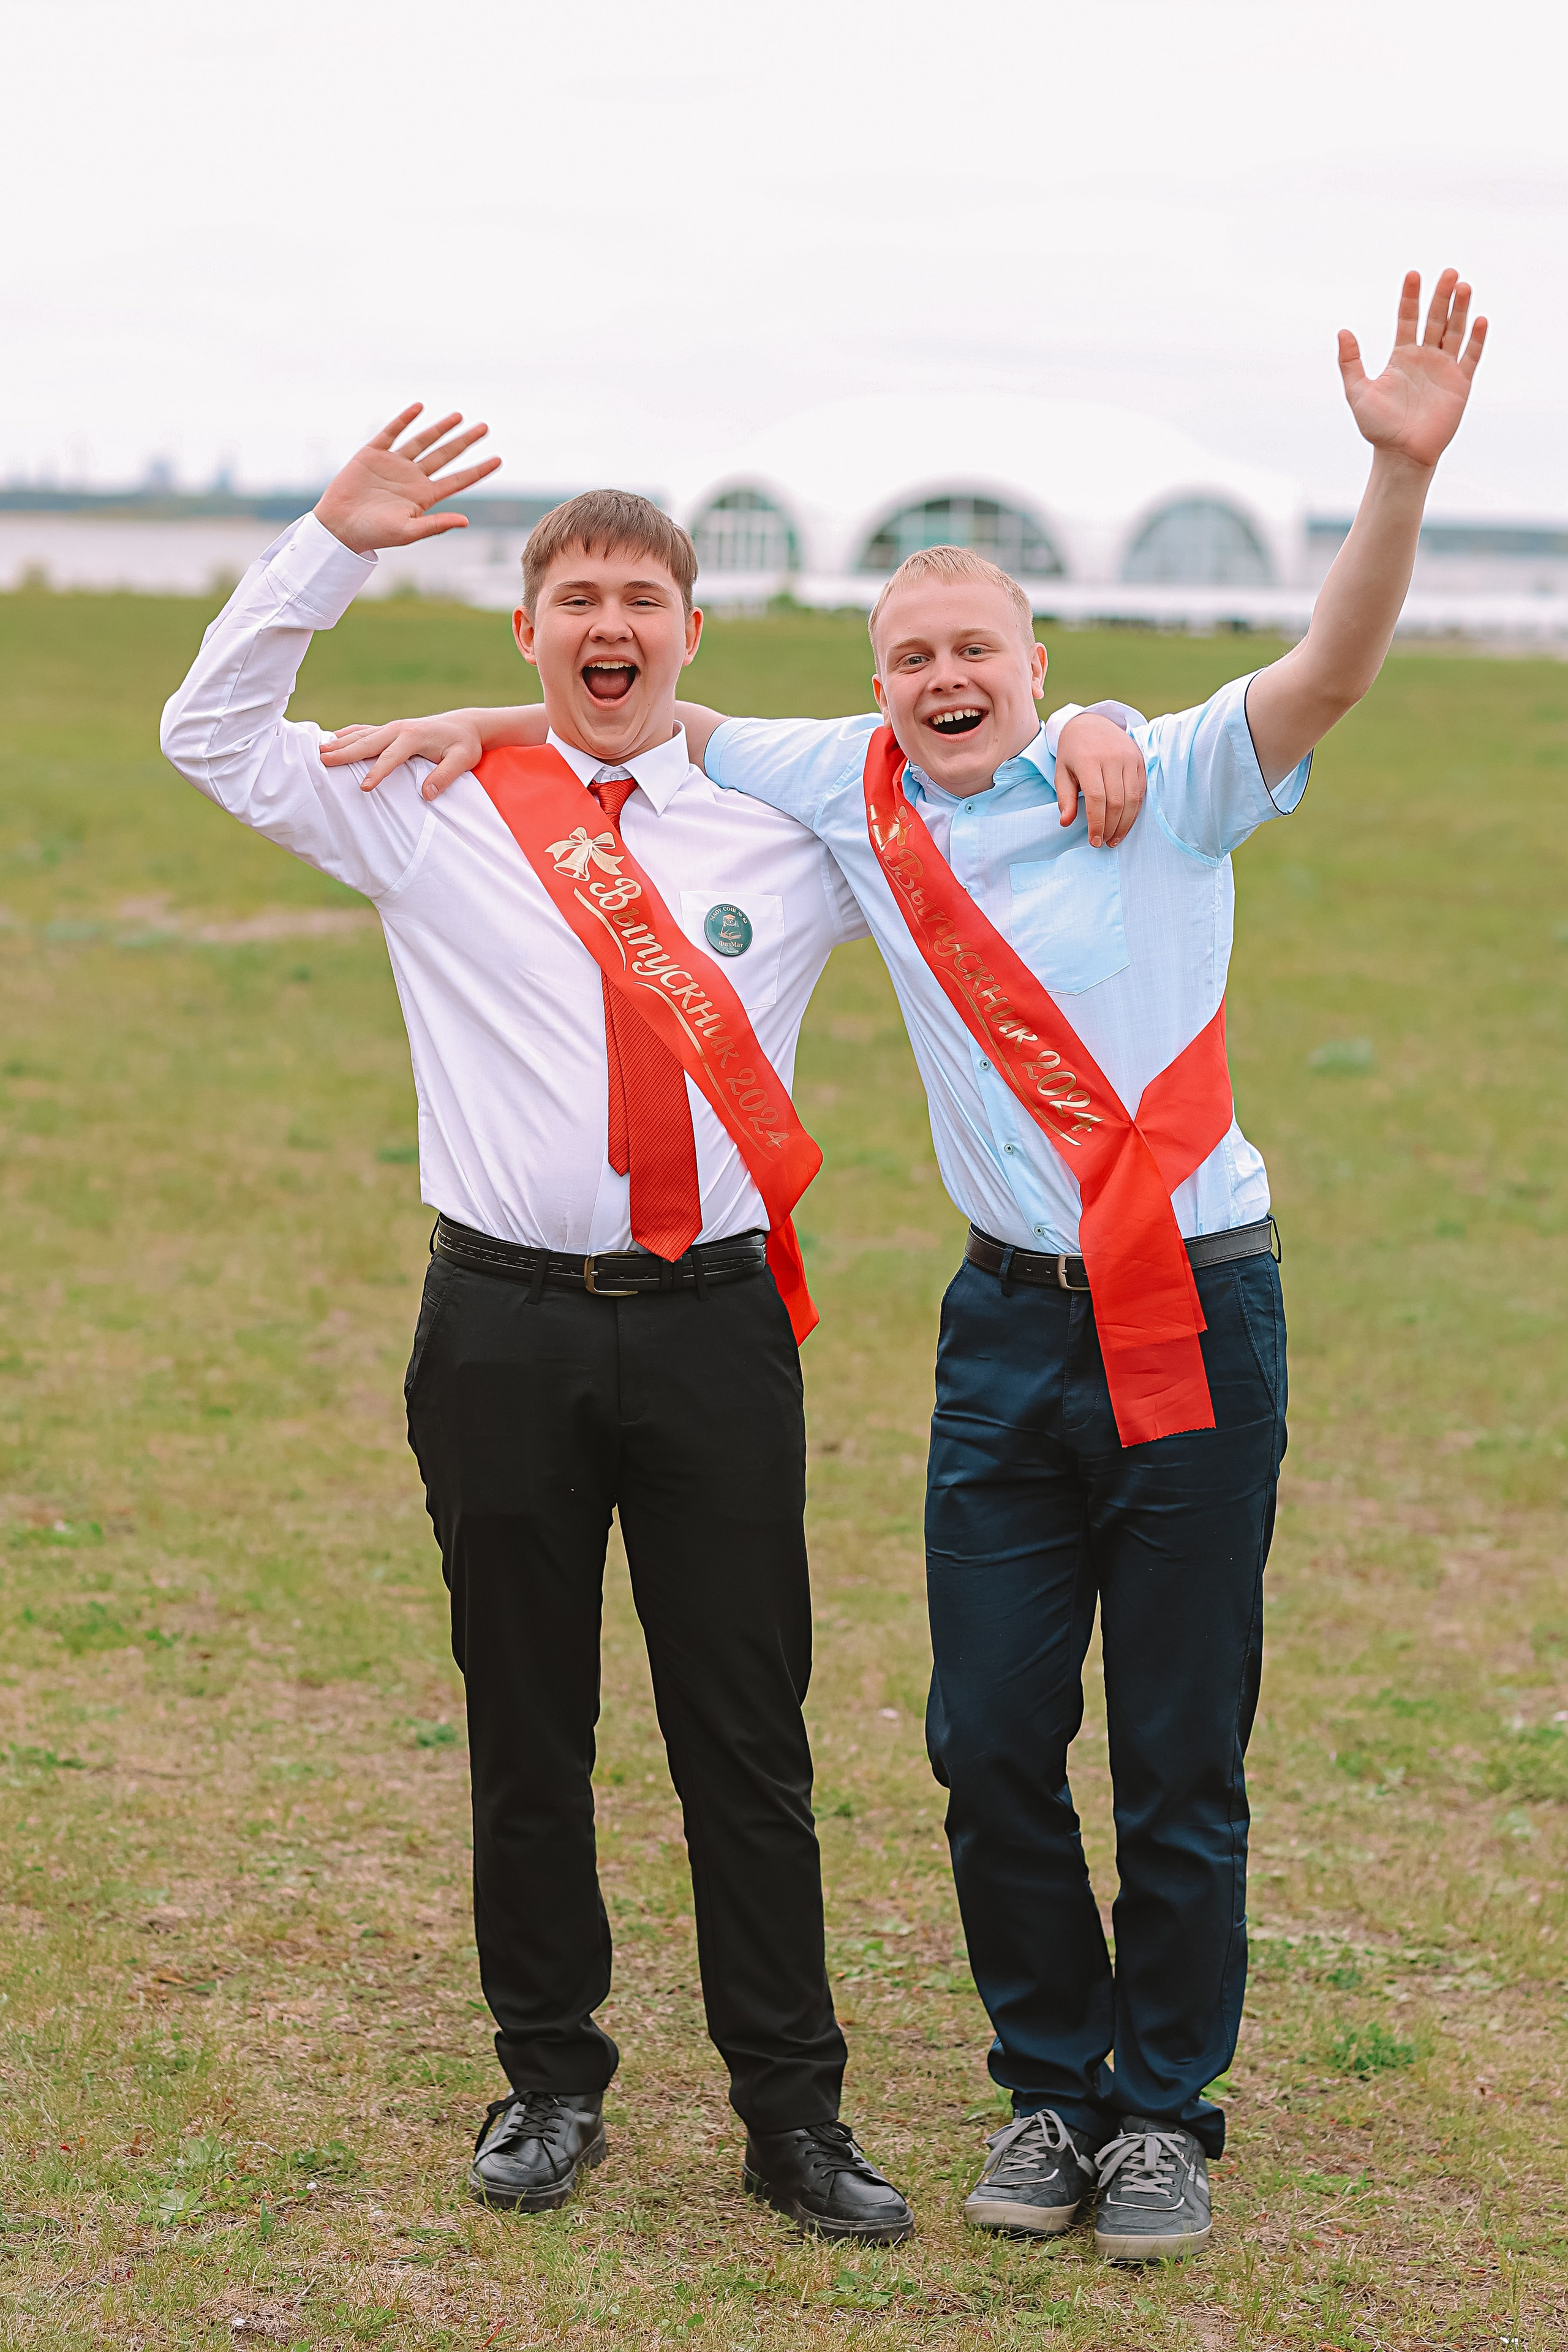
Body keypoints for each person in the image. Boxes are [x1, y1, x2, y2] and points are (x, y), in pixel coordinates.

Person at [335, 270, 1487, 2261]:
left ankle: (1162, 2111)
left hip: (1194, 1302)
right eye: (910, 655)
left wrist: (1395, 480)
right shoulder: (849, 790)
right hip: (1003, 1326)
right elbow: (644, 718)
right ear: (880, 684)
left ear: (1040, 663)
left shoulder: (1167, 776)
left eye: (977, 650)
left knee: (1178, 1747)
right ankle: (1049, 2087)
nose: (944, 678)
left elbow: (1336, 666)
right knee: (984, 1739)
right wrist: (481, 719)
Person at [159, 415, 1137, 2237]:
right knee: (526, 1722)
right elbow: (207, 736)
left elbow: (967, 758)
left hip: (714, 1333)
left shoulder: (792, 819)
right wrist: (328, 546)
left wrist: (1095, 721)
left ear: (691, 631)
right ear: (530, 629)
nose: (610, 624)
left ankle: (794, 2114)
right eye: (578, 601)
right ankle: (549, 2079)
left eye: (642, 600)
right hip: (501, 1326)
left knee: (746, 1738)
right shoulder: (427, 802)